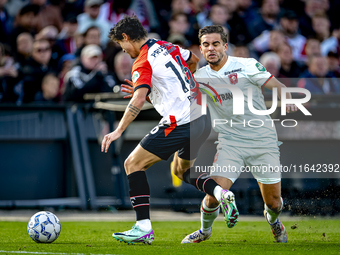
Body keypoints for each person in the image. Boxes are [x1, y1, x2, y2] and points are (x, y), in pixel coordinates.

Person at [101, 16, 238, 244]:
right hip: (202, 118)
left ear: (125, 37)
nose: (123, 51)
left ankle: (143, 227)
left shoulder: (142, 61)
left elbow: (137, 100)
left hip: (181, 123)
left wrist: (118, 131)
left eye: (121, 45)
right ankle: (221, 194)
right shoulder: (165, 46)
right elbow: (193, 59)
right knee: (182, 171)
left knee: (132, 164)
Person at [181, 25, 297, 244]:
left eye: (215, 44)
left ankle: (273, 221)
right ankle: (205, 230)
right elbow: (176, 97)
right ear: (201, 49)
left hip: (263, 141)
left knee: (273, 203)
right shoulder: (200, 78)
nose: (211, 48)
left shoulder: (246, 65)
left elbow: (276, 85)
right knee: (215, 195)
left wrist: (287, 97)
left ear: (225, 46)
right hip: (230, 143)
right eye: (206, 45)